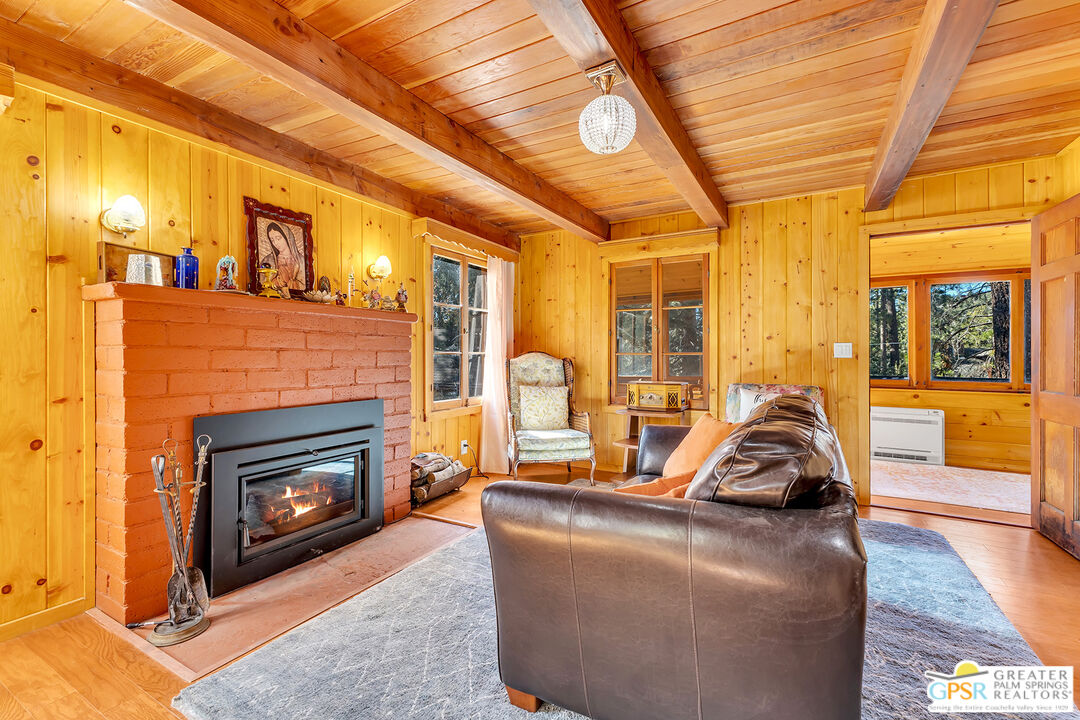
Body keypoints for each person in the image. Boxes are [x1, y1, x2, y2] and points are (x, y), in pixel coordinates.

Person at [260, 222, 303, 290]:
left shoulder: (301, 260)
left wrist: (291, 282)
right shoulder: (268, 260)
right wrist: (278, 281)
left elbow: (304, 286)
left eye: (278, 238)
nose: (275, 243)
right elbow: (262, 284)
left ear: (287, 238)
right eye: (272, 240)